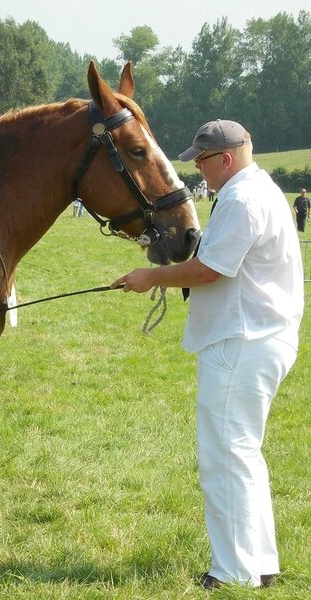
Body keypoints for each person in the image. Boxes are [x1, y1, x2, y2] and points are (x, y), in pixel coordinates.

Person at [111, 119, 303, 589]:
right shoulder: (256, 191)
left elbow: (212, 271)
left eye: (201, 160)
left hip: (242, 340)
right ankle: (259, 564)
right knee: (242, 454)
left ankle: (234, 572)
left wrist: (149, 277)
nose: (196, 167)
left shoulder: (241, 198)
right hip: (256, 336)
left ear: (226, 158)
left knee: (225, 457)